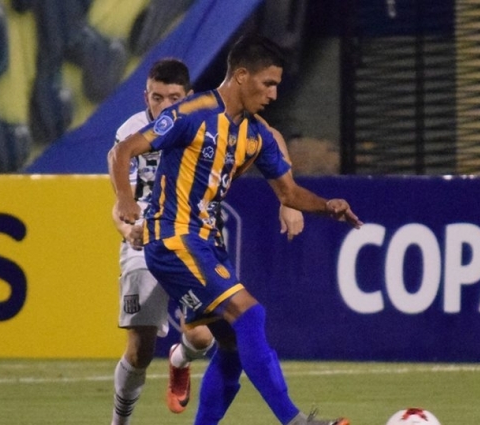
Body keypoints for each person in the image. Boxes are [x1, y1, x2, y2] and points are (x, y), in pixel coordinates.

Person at [108, 34, 360, 425]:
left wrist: (327, 207)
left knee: (231, 346)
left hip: (206, 242)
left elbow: (289, 192)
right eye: (268, 84)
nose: (274, 94)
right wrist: (125, 199)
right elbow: (122, 150)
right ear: (242, 76)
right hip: (172, 237)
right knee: (249, 313)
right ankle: (295, 421)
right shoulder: (193, 112)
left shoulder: (256, 135)